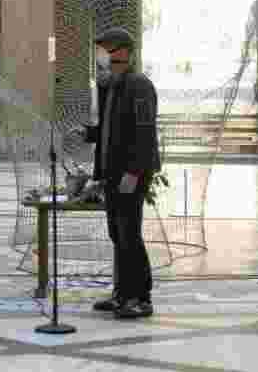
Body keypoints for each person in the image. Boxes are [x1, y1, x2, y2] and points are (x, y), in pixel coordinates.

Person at [85, 27, 161, 319]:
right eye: (101, 50)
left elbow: (143, 134)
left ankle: (140, 297)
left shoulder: (138, 85)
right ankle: (122, 293)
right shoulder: (112, 86)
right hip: (113, 174)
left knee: (130, 235)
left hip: (131, 174)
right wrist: (89, 133)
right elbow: (110, 130)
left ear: (125, 52)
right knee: (118, 234)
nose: (102, 55)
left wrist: (134, 172)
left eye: (108, 49)